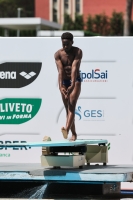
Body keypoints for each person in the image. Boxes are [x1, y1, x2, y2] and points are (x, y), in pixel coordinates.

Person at [54, 32, 83, 141]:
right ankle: (74, 133)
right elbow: (60, 71)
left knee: (72, 104)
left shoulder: (78, 51)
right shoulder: (58, 54)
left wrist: (72, 83)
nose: (65, 47)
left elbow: (74, 68)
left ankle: (66, 129)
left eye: (67, 44)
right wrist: (61, 86)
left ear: (72, 42)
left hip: (75, 80)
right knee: (68, 109)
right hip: (64, 82)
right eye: (63, 44)